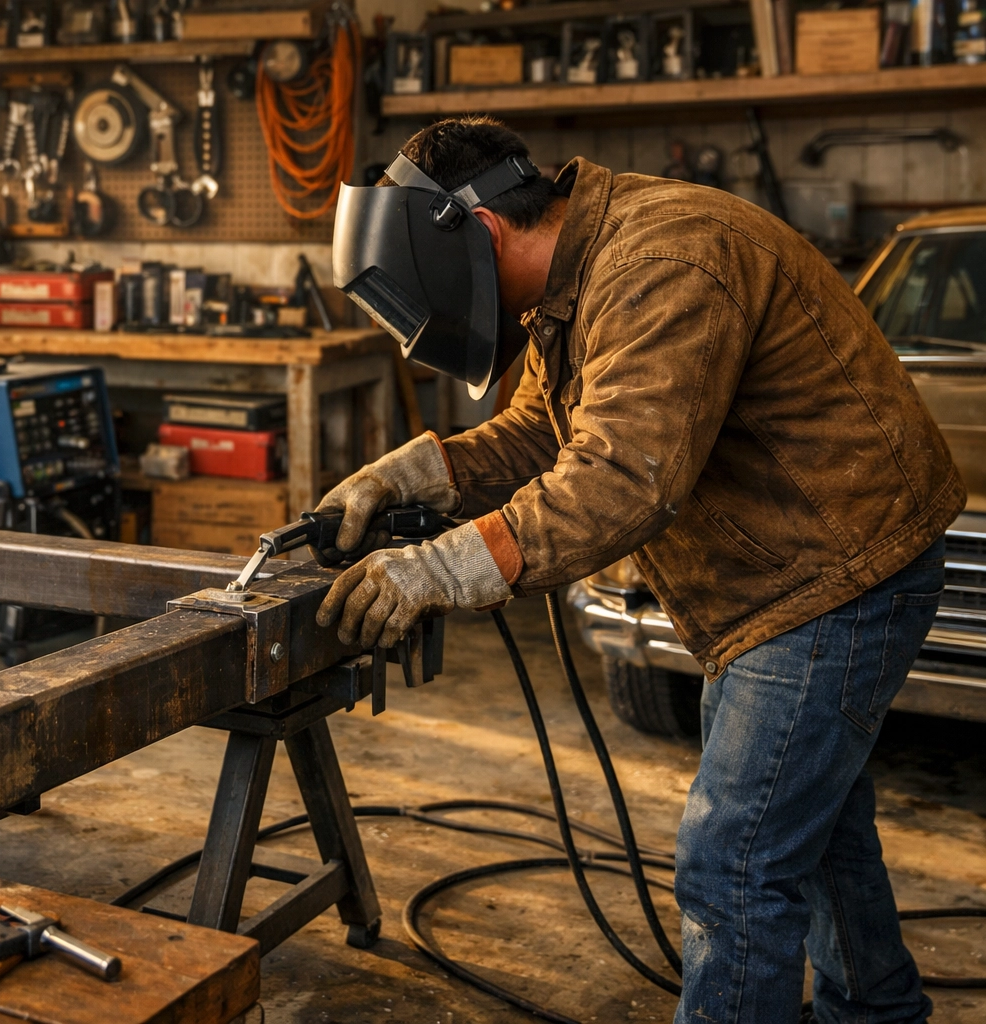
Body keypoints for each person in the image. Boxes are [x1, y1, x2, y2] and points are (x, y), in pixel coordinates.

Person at [318, 116, 961, 1024]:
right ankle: (878, 1009)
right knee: (813, 827)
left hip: (837, 575)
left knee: (732, 860)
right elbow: (548, 430)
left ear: (485, 234)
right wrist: (422, 471)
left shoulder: (667, 263)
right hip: (786, 570)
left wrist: (440, 572)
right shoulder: (576, 280)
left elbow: (623, 478)